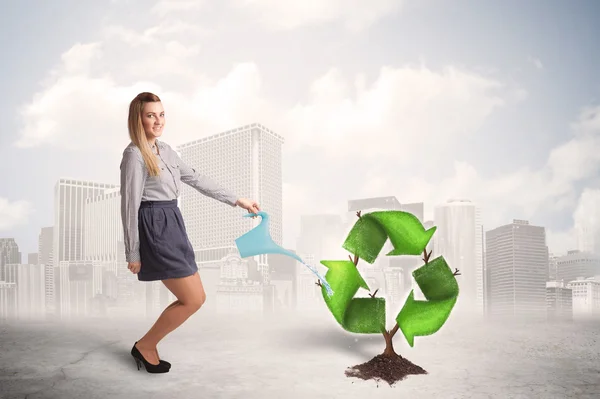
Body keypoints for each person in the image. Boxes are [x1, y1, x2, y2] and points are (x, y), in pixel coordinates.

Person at [120, 92, 260, 373]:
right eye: (151, 115)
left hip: (173, 222)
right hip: (155, 226)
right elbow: (128, 205)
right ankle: (146, 345)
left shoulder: (167, 150)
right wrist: (133, 251)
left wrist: (237, 199)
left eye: (161, 114)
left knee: (195, 297)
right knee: (194, 299)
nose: (158, 121)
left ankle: (146, 345)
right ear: (139, 119)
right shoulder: (134, 154)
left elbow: (196, 178)